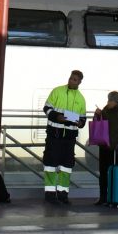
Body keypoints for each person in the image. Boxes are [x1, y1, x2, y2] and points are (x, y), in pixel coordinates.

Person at [40, 69, 86, 204]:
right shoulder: (57, 91)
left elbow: (83, 119)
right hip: (54, 135)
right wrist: (57, 117)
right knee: (50, 164)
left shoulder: (81, 98)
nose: (71, 81)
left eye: (75, 79)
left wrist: (79, 122)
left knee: (67, 166)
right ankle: (49, 194)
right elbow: (46, 108)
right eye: (71, 78)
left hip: (69, 138)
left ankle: (63, 195)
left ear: (80, 82)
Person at [92, 91, 118, 206]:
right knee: (103, 173)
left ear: (116, 101)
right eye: (108, 100)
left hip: (115, 149)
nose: (108, 102)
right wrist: (97, 115)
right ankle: (103, 197)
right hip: (104, 146)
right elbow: (99, 123)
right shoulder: (106, 109)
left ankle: (113, 197)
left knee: (114, 173)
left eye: (110, 100)